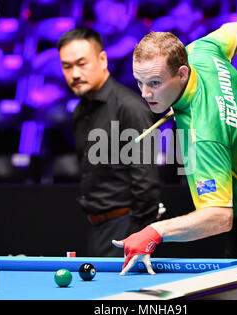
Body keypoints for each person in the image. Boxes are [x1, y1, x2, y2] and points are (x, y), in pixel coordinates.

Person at [112, 22, 237, 274]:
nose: (145, 93)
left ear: (181, 74)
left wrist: (155, 231)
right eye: (140, 82)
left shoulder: (203, 135)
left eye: (155, 83)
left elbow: (219, 218)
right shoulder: (203, 51)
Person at [57, 27, 162, 257]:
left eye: (81, 63)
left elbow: (146, 183)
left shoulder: (129, 107)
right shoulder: (80, 110)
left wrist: (136, 238)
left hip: (126, 229)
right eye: (67, 66)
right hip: (96, 227)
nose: (74, 73)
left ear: (102, 59)